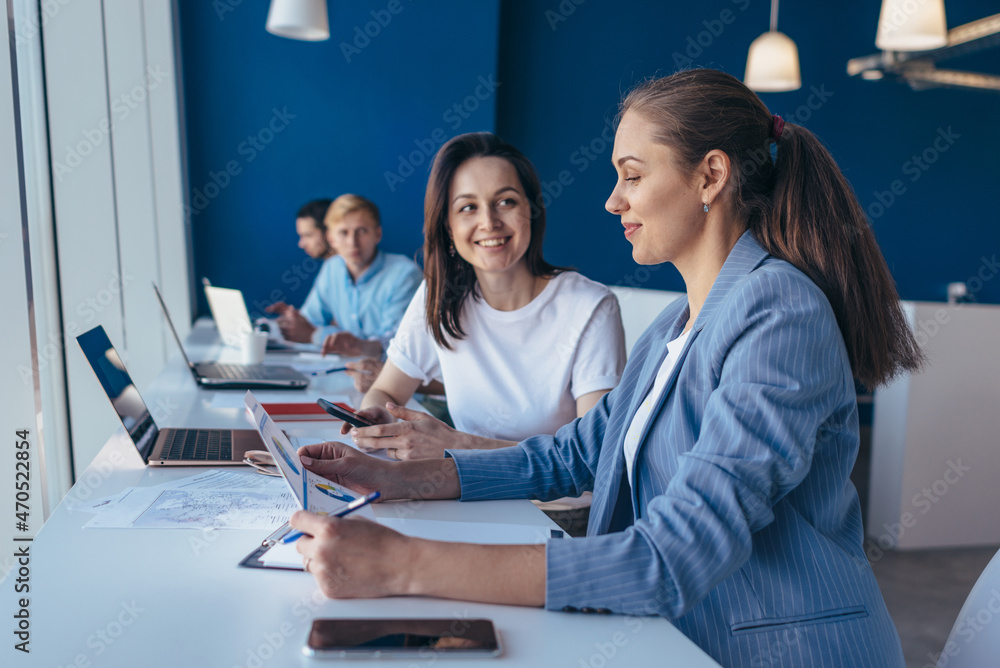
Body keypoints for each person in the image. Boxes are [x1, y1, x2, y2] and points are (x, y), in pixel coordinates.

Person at [288, 70, 921, 667]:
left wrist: (403, 564)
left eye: (632, 176)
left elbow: (674, 556)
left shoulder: (780, 314)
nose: (613, 201)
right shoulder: (679, 322)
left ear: (711, 177)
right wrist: (399, 479)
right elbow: (567, 457)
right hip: (682, 636)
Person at [341, 132, 626, 462]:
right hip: (463, 493)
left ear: (532, 210)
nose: (488, 222)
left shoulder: (591, 307)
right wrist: (378, 415)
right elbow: (387, 390)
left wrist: (458, 446)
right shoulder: (440, 295)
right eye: (468, 207)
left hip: (556, 511)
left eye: (506, 202)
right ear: (448, 226)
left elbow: (591, 457)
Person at [266, 194, 422, 356]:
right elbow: (310, 321)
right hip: (342, 368)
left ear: (378, 234)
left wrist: (315, 335)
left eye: (362, 231)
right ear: (331, 238)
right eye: (343, 233)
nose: (352, 243)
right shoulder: (332, 268)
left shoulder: (405, 274)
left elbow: (396, 346)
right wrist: (290, 323)